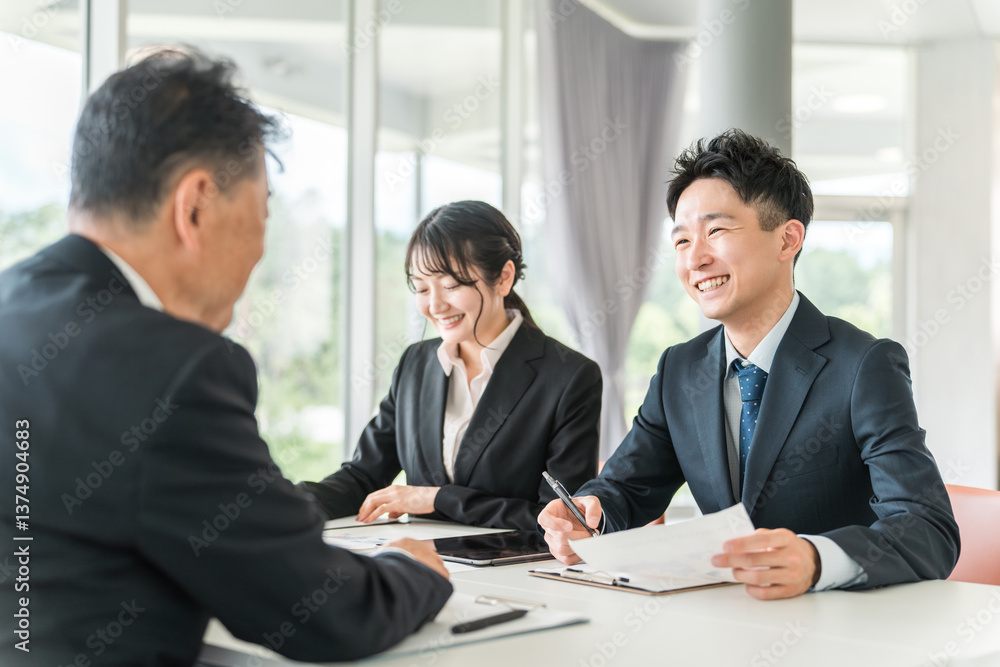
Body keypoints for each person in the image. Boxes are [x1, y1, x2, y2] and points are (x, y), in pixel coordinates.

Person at [0, 50, 452, 666]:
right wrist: (411, 568)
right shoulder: (169, 368)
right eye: (261, 215)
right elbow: (323, 614)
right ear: (196, 206)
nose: (259, 255)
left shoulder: (15, 306)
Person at [538, 129, 960, 600]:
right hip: (722, 622)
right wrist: (588, 514)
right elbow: (626, 489)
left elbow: (928, 530)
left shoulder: (863, 365)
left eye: (716, 231)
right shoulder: (680, 369)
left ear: (787, 239)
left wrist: (816, 559)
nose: (695, 258)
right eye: (681, 241)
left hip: (833, 628)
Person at [300, 200, 602, 530]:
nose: (435, 305)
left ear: (503, 278)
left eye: (451, 285)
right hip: (420, 566)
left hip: (509, 573)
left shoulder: (569, 377)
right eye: (421, 288)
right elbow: (362, 478)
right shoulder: (415, 365)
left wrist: (437, 498)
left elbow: (561, 521)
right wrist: (279, 503)